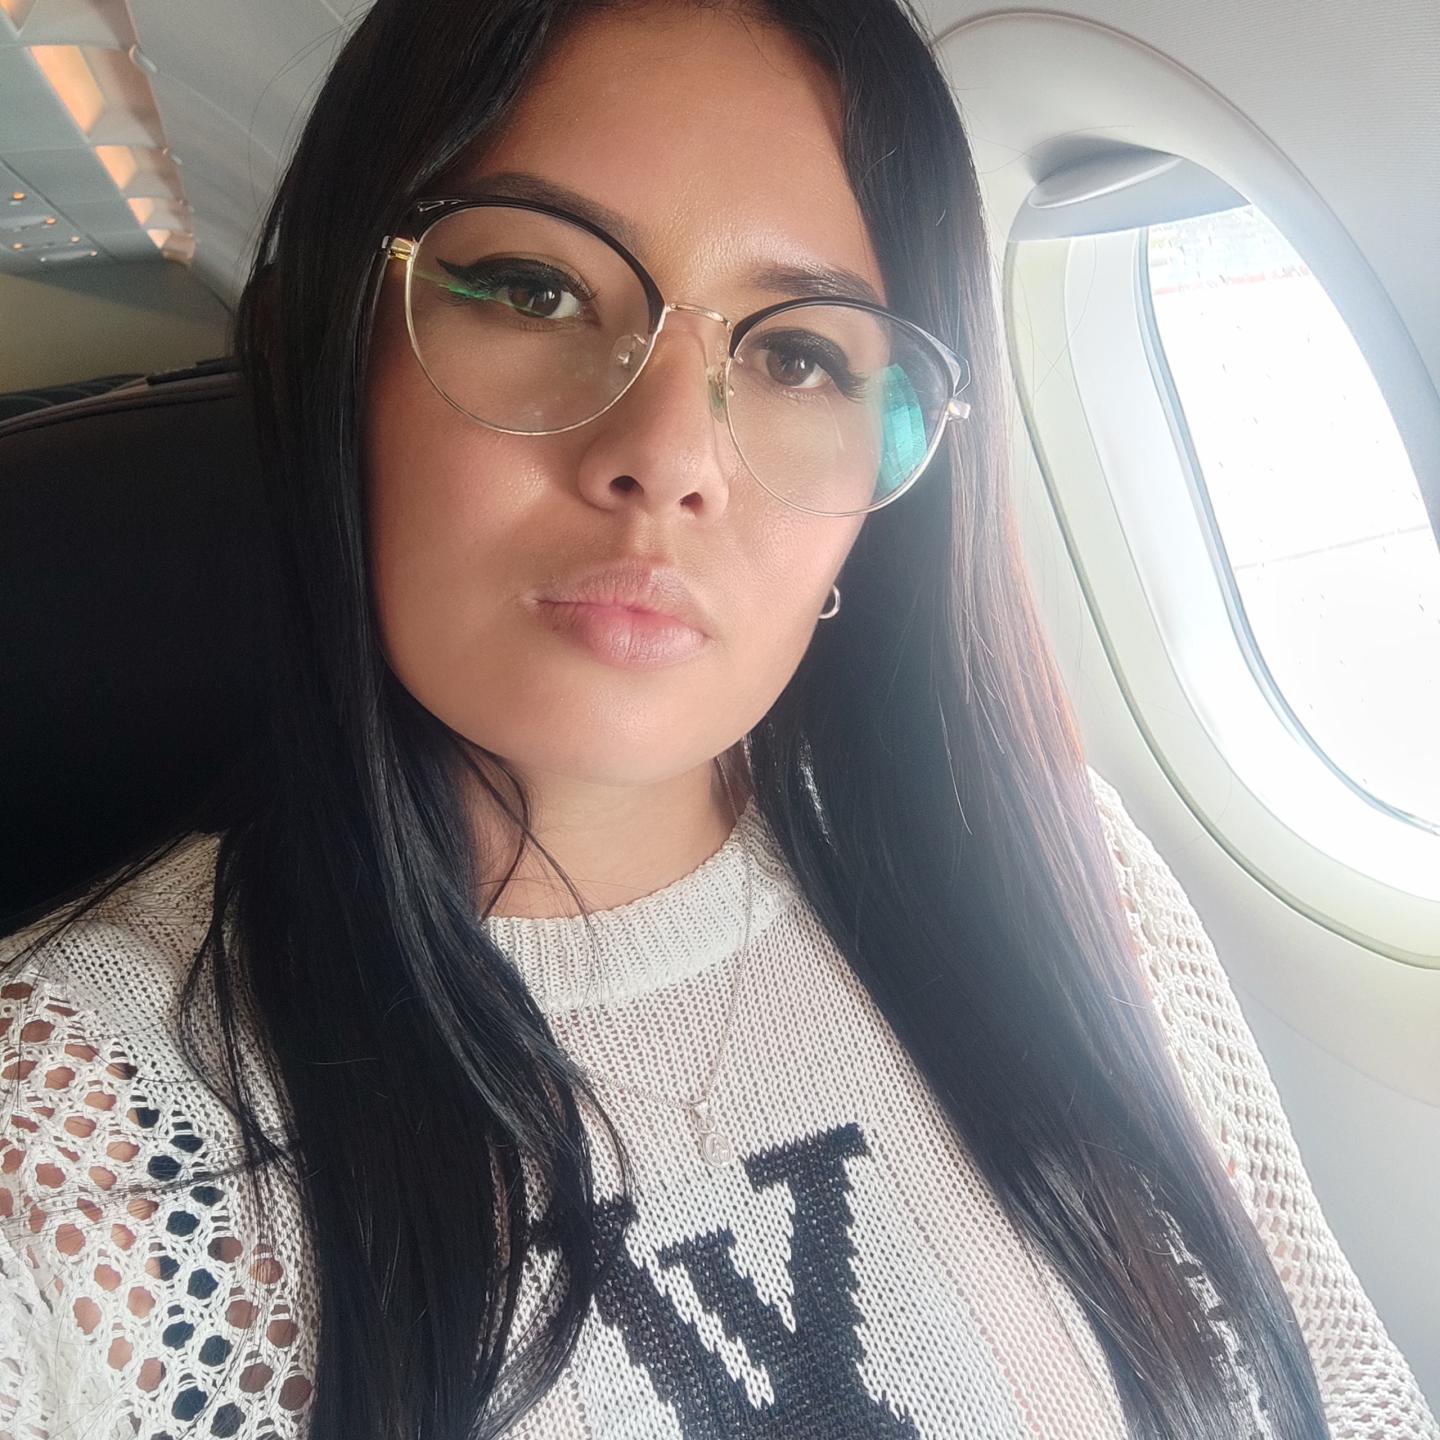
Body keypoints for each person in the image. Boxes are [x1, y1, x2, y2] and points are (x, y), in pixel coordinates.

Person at [1, 1, 1435, 1436]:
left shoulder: (1072, 878)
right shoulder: (60, 1130)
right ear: (331, 352)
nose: (669, 455)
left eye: (801, 356)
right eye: (537, 290)